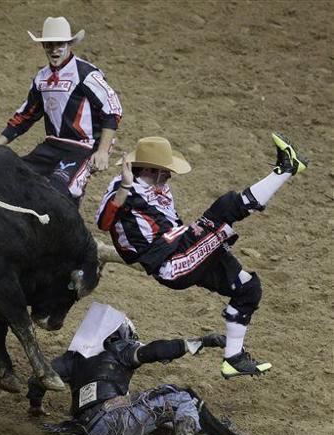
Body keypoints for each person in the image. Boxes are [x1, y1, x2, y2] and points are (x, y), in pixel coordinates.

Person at [96, 133, 309, 378]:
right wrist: (124, 186)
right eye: (164, 170)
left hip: (182, 250)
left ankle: (233, 358)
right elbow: (103, 222)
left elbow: (171, 224)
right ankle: (285, 170)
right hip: (171, 264)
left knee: (248, 288)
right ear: (149, 169)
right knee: (223, 210)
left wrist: (199, 237)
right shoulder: (122, 187)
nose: (169, 175)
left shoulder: (161, 188)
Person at [27, 302, 251, 435]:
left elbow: (37, 379)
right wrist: (200, 341)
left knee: (160, 421)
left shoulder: (70, 359)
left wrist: (35, 407)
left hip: (89, 432)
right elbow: (155, 351)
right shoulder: (121, 349)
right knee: (181, 396)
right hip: (116, 424)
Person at [0, 16, 122, 205]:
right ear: (44, 46)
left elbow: (112, 108)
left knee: (59, 190)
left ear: (69, 44)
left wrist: (102, 151)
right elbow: (26, 114)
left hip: (83, 147)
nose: (54, 49)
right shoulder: (41, 78)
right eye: (49, 45)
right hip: (52, 145)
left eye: (59, 44)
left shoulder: (86, 73)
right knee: (13, 178)